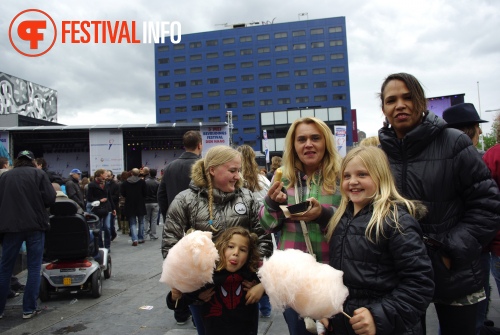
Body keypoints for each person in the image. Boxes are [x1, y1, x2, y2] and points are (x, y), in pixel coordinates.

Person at [378, 72, 500, 335]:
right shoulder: (378, 154)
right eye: (391, 100)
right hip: (400, 275)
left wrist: (451, 250)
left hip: (455, 271)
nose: (400, 104)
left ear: (421, 102)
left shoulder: (454, 142)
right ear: (384, 108)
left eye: (408, 97)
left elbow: (487, 205)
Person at [161, 145, 273, 335]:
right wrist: (194, 291)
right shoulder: (185, 200)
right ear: (212, 170)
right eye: (232, 170)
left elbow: (263, 238)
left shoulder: (247, 198)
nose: (238, 176)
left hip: (242, 291)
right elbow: (171, 248)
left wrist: (254, 278)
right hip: (204, 296)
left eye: (239, 170)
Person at [324, 146, 434, 335]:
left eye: (362, 174)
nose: (353, 182)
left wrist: (379, 317)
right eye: (347, 176)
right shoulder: (340, 219)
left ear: (381, 176)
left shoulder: (396, 221)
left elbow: (419, 283)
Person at [259, 116, 342, 335]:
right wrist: (272, 204)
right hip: (294, 280)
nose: (308, 144)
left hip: (332, 274)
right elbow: (266, 226)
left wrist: (323, 215)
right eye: (301, 139)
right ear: (293, 146)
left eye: (316, 138)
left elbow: (354, 223)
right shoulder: (283, 179)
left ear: (326, 142)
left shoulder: (341, 178)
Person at [443, 102, 492, 332]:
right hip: (464, 254)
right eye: (476, 126)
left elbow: (486, 206)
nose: (481, 132)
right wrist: (454, 248)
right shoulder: (467, 158)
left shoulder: (473, 158)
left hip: (464, 250)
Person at [167, 227, 265, 335]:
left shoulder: (250, 276)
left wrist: (262, 287)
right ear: (221, 247)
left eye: (243, 250)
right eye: (231, 247)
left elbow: (276, 286)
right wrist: (175, 297)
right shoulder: (209, 277)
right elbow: (181, 302)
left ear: (249, 255)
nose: (236, 253)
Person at [0, 150, 56, 319]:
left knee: (5, 268)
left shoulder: (5, 177)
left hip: (10, 227)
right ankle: (29, 309)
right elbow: (50, 199)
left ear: (17, 161)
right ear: (32, 161)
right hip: (34, 225)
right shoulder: (38, 174)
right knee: (33, 268)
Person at [158, 130, 202, 325]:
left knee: (178, 266)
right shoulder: (201, 166)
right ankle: (196, 312)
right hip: (198, 224)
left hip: (175, 226)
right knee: (199, 267)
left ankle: (180, 311)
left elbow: (161, 194)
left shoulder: (170, 167)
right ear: (199, 145)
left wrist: (169, 216)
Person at [237, 144, 273, 318]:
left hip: (241, 227)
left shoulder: (236, 179)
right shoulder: (263, 180)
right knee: (260, 265)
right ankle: (265, 308)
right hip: (262, 227)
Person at [87, 169, 115, 251]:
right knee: (98, 228)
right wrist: (99, 200)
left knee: (107, 227)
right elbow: (89, 198)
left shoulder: (106, 184)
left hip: (107, 208)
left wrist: (113, 208)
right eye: (105, 174)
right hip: (97, 208)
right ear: (100, 175)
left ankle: (107, 246)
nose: (107, 175)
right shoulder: (92, 185)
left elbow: (109, 197)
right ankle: (100, 246)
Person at [120, 168, 147, 246]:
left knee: (132, 223)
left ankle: (134, 239)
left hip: (130, 204)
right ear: (138, 174)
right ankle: (141, 238)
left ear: (131, 173)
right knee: (141, 221)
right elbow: (145, 193)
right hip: (140, 203)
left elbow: (123, 194)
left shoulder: (125, 183)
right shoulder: (142, 182)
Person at [143, 167, 159, 240]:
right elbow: (158, 193)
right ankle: (153, 234)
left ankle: (144, 234)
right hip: (155, 202)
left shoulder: (145, 182)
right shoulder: (157, 183)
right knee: (154, 220)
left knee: (146, 219)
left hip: (146, 202)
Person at [105, 170, 119, 241]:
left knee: (111, 222)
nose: (107, 177)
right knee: (108, 223)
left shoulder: (115, 185)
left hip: (113, 205)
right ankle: (111, 234)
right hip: (105, 206)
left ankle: (112, 234)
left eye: (108, 176)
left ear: (112, 176)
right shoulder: (104, 184)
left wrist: (107, 198)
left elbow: (116, 196)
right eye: (106, 176)